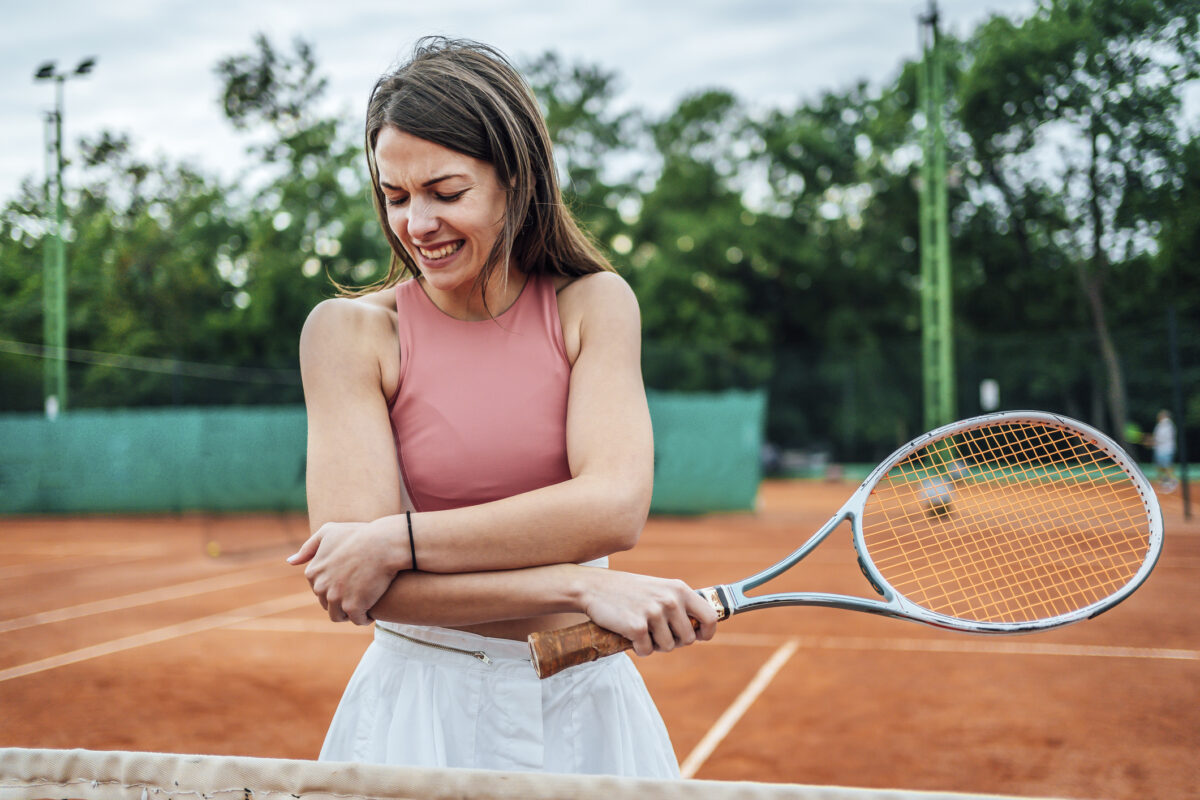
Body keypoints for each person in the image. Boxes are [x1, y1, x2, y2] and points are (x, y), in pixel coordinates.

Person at [286, 37, 718, 778]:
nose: (416, 224)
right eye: (395, 196)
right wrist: (578, 583)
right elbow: (361, 586)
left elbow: (613, 507)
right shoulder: (347, 334)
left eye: (446, 193)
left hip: (584, 708)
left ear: (515, 182)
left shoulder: (596, 304)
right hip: (418, 711)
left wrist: (396, 539)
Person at [1150, 410, 1178, 491]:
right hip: (1160, 449)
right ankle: (1165, 483)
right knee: (1160, 468)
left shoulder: (1167, 425)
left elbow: (1161, 438)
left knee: (1166, 467)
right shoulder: (1160, 425)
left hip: (1166, 450)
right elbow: (1158, 438)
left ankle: (1172, 482)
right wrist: (1153, 441)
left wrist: (1152, 441)